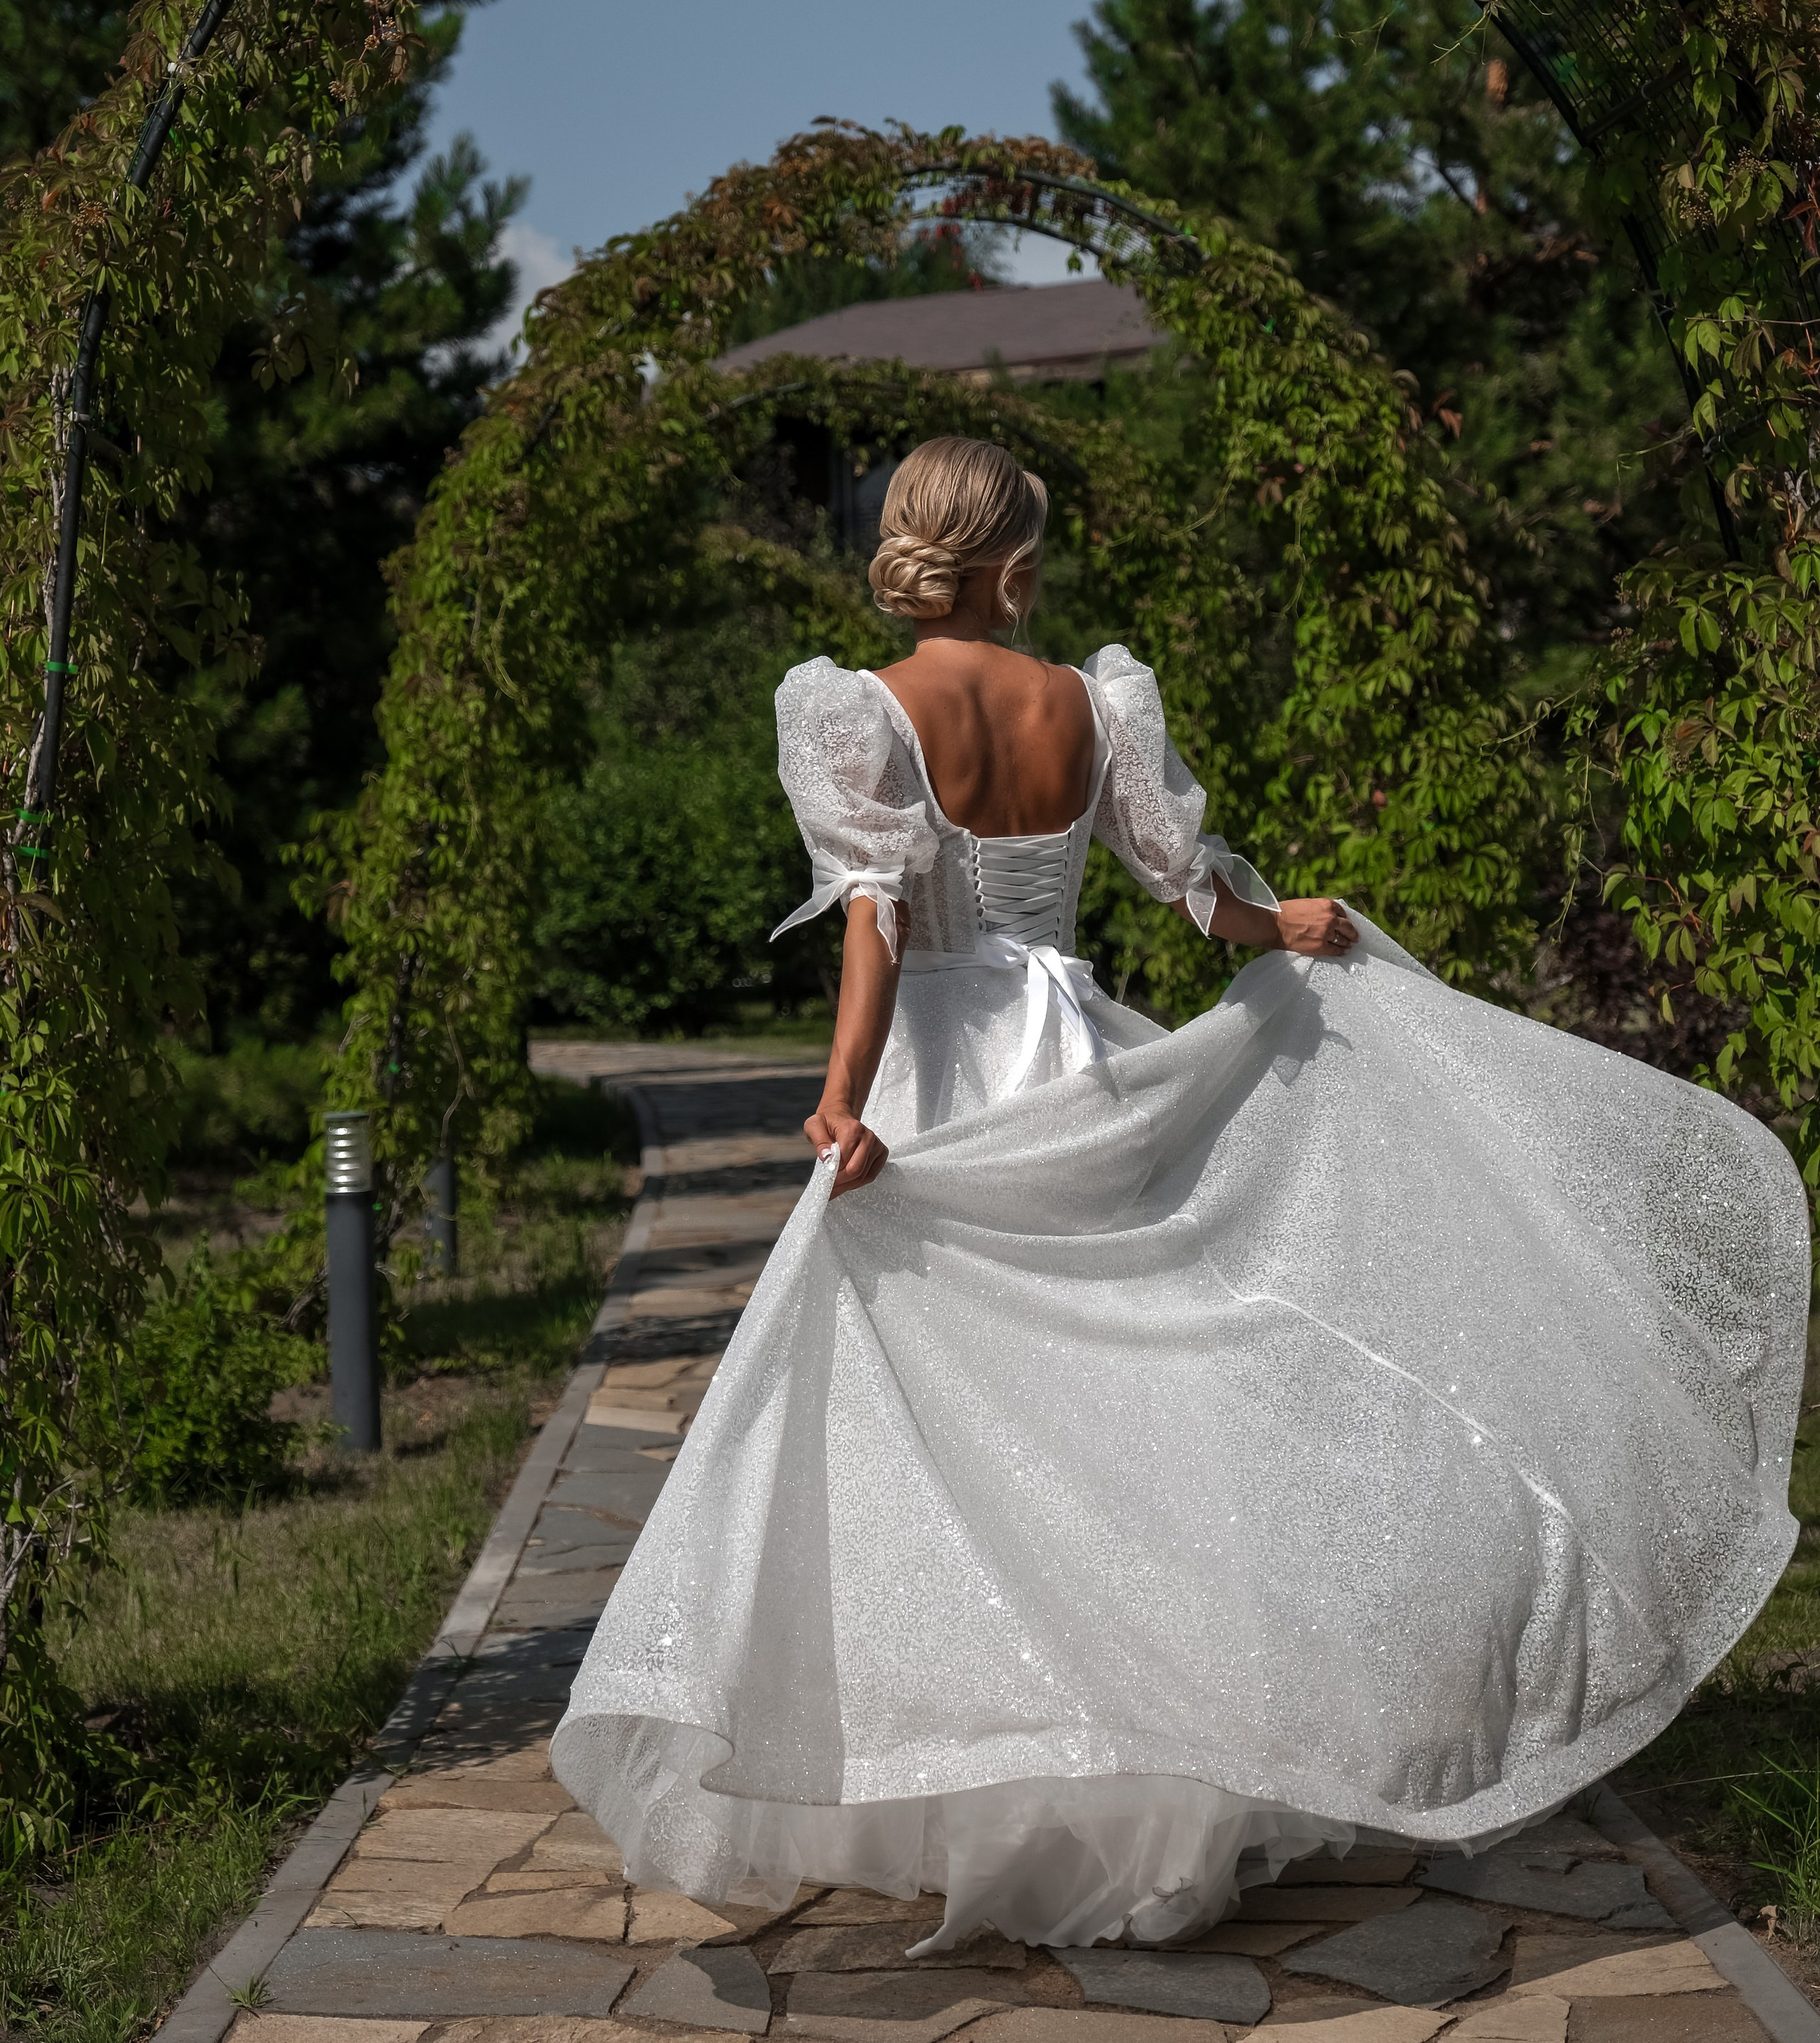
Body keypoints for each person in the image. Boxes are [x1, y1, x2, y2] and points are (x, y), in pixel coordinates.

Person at [554, 435, 1807, 1951]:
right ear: (1016, 564)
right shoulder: (1087, 702)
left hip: (942, 1074)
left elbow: (875, 927)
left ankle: (975, 1754)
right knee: (1128, 1406)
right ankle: (1159, 1758)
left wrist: (838, 1097)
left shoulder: (857, 713)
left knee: (927, 1412)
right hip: (1077, 1070)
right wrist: (1274, 918)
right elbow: (1187, 889)